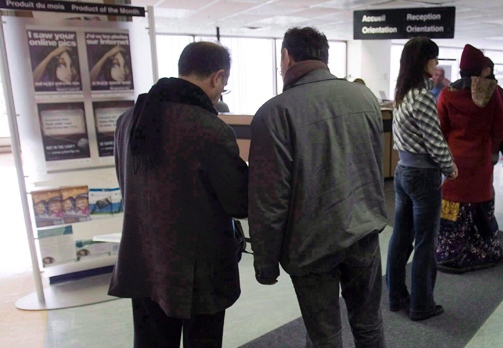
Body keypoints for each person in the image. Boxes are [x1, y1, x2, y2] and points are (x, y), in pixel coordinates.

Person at [248, 27, 388, 347]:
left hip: (311, 245)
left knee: (324, 336)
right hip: (363, 231)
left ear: (287, 57)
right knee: (368, 324)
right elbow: (372, 166)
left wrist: (266, 264)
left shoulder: (274, 113)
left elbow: (270, 199)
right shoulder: (364, 97)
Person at [109, 41, 249, 348]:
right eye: (223, 86)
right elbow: (239, 202)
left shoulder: (129, 120)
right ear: (218, 77)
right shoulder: (208, 128)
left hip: (143, 259)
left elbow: (127, 183)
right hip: (198, 272)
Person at [385, 37, 457, 322]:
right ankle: (422, 305)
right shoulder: (422, 96)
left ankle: (395, 296)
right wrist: (450, 168)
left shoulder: (401, 94)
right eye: (434, 58)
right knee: (426, 243)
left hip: (403, 171)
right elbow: (435, 141)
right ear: (423, 61)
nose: (436, 64)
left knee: (400, 239)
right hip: (423, 176)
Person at [435, 44, 503, 274]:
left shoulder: (447, 94)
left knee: (452, 208)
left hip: (454, 161)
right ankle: (487, 252)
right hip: (480, 162)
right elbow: (502, 131)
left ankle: (448, 253)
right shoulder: (493, 93)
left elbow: (441, 129)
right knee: (481, 207)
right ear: (482, 70)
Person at [482, 57, 503, 165]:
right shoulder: (498, 91)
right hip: (490, 147)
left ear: (488, 71)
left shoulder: (495, 92)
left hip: (489, 147)